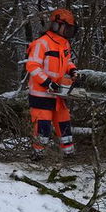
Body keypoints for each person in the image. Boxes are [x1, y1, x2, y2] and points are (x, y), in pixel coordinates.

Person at [24, 8, 78, 160]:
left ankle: (69, 153)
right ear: (56, 25)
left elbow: (67, 61)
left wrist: (73, 71)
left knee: (64, 122)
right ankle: (38, 154)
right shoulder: (41, 43)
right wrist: (47, 82)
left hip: (58, 93)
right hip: (41, 93)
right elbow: (32, 66)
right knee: (43, 126)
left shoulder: (64, 44)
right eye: (66, 28)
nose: (68, 31)